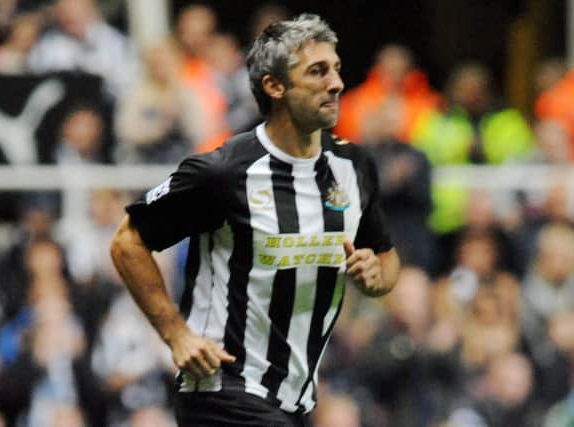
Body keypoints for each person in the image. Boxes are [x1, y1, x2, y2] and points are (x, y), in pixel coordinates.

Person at [110, 14, 400, 427]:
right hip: (221, 389)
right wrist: (176, 334)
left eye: (336, 69)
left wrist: (376, 275)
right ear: (274, 86)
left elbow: (386, 260)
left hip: (294, 399)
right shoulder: (224, 172)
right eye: (317, 72)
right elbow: (127, 242)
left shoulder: (354, 167)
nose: (335, 83)